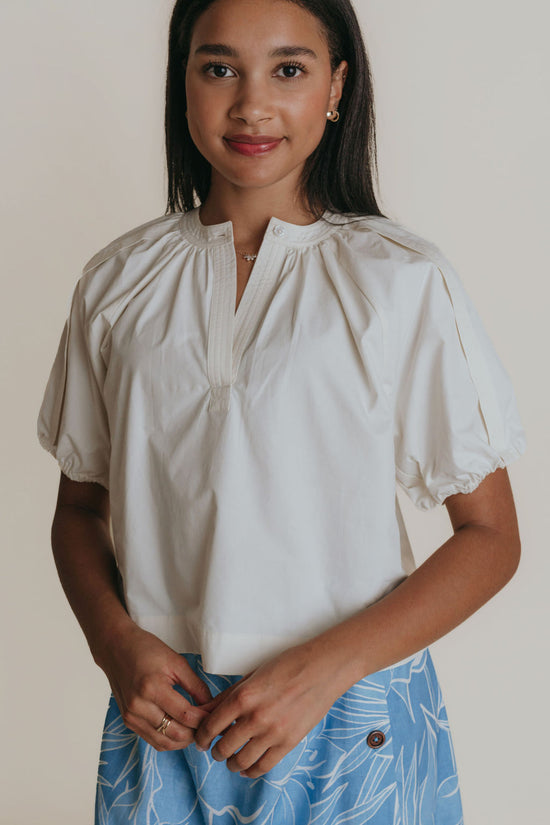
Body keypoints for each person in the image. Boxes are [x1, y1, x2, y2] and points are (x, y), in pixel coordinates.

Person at [37, 0, 526, 823]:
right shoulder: (117, 284)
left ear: (336, 87)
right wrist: (115, 645)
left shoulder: (400, 280)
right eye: (219, 68)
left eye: (289, 69)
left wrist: (325, 670)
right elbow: (79, 511)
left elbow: (491, 537)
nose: (251, 104)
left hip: (353, 720)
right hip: (167, 719)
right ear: (183, 82)